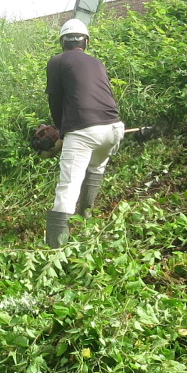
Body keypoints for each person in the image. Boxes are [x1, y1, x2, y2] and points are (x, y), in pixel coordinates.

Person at [43, 17, 124, 247]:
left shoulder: (56, 62)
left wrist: (60, 131)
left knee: (67, 187)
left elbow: (55, 101)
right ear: (85, 42)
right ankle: (85, 220)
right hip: (114, 129)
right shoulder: (98, 63)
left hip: (83, 133)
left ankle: (55, 249)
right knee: (95, 168)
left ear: (62, 42)